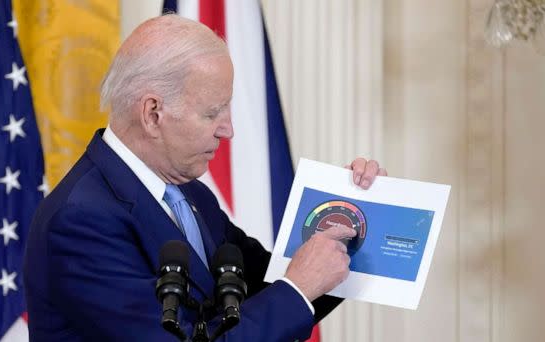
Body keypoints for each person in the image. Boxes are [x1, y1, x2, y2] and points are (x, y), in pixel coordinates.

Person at [23, 14, 387, 341]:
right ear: (152, 113)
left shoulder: (192, 194)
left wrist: (351, 212)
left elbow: (269, 288)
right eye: (212, 113)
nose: (227, 130)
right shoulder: (79, 221)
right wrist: (298, 286)